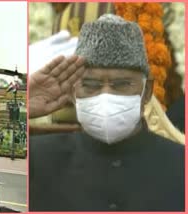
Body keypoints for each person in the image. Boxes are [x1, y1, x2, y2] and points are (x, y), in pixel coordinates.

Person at [29, 14, 184, 211]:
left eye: (122, 84)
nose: (106, 95)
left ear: (147, 93)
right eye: (91, 85)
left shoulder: (180, 165)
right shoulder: (36, 157)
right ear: (73, 91)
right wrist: (21, 104)